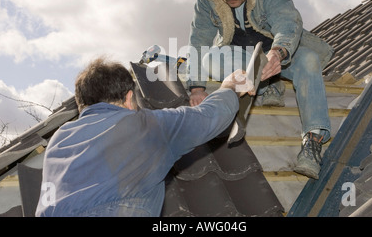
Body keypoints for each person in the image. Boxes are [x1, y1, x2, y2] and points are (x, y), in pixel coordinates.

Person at [35, 57, 254, 217]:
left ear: (82, 106)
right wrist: (229, 87)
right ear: (130, 99)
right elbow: (208, 117)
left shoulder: (58, 140)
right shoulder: (142, 125)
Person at [186, 0, 334, 180]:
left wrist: (278, 53)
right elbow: (199, 38)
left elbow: (287, 22)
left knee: (309, 59)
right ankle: (266, 83)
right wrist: (196, 87)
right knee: (210, 57)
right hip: (241, 57)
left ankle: (313, 143)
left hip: (280, 53)